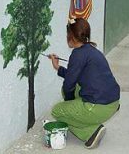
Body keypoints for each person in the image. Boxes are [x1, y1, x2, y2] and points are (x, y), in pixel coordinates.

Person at [48, 18, 120, 149]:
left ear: (71, 36)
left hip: (99, 106)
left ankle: (91, 132)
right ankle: (86, 115)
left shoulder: (77, 54)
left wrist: (68, 103)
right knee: (70, 91)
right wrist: (58, 67)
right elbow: (74, 75)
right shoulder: (91, 50)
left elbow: (68, 85)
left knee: (57, 111)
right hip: (112, 102)